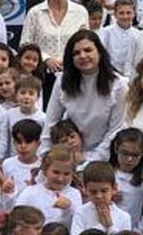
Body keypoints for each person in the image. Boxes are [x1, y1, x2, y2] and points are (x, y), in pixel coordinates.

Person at [45, 30, 129, 162]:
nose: (83, 56)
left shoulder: (119, 85)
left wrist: (89, 158)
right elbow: (51, 123)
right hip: (67, 157)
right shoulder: (62, 81)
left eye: (88, 50)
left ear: (99, 52)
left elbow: (115, 131)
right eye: (76, 53)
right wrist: (45, 156)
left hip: (104, 160)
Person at [21, 0, 89, 83]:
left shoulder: (80, 12)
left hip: (72, 75)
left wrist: (68, 60)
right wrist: (46, 59)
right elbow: (25, 45)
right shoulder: (35, 13)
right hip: (41, 77)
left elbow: (85, 44)